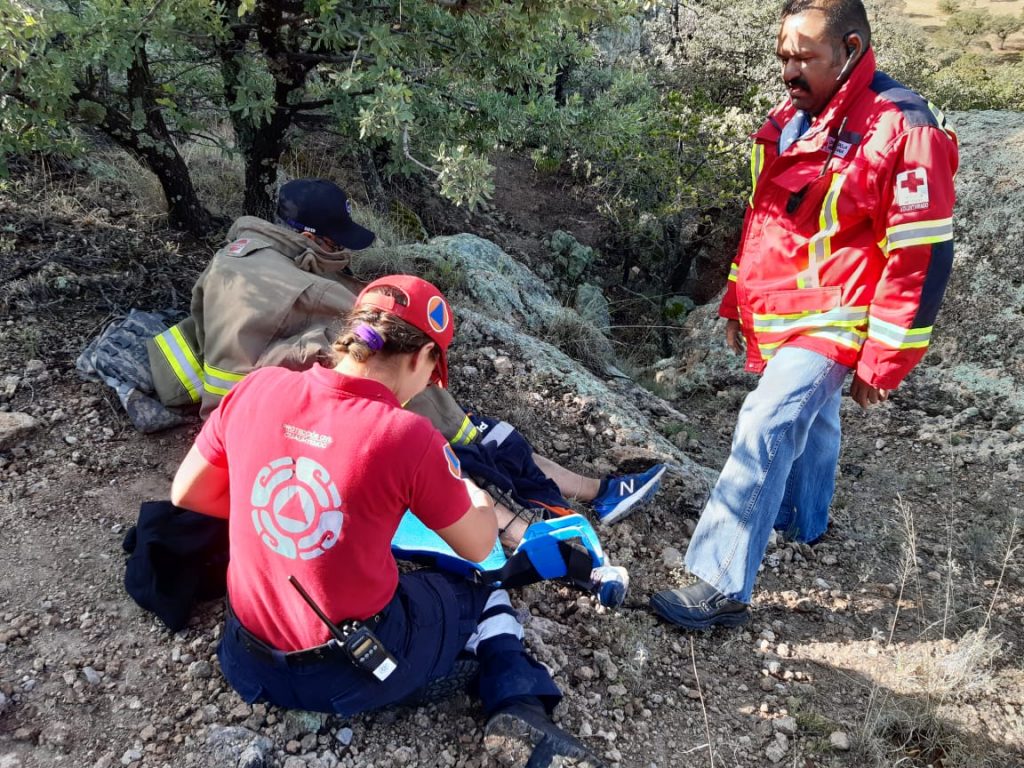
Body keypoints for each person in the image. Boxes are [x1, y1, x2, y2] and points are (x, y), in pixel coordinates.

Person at [170, 275, 606, 767]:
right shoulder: (406, 436)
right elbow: (480, 546)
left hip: (245, 658)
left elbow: (187, 492)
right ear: (422, 359)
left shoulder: (259, 386)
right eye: (432, 375)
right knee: (485, 593)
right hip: (350, 672)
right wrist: (473, 494)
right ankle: (520, 707)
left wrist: (293, 522)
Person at [650, 0, 958, 630]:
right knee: (810, 419)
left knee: (765, 420)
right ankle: (803, 519)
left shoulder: (904, 126)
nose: (789, 71)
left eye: (805, 57)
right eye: (783, 56)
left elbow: (921, 254)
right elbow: (767, 223)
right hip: (792, 304)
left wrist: (885, 358)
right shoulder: (792, 117)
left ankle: (719, 582)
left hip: (840, 311)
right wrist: (739, 296)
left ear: (849, 48)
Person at [148, 177, 666, 540]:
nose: (346, 256)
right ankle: (549, 521)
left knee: (478, 435)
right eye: (339, 243)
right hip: (296, 425)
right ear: (311, 237)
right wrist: (445, 421)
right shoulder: (305, 289)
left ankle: (591, 494)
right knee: (477, 441)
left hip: (258, 419)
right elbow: (371, 338)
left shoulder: (234, 259)